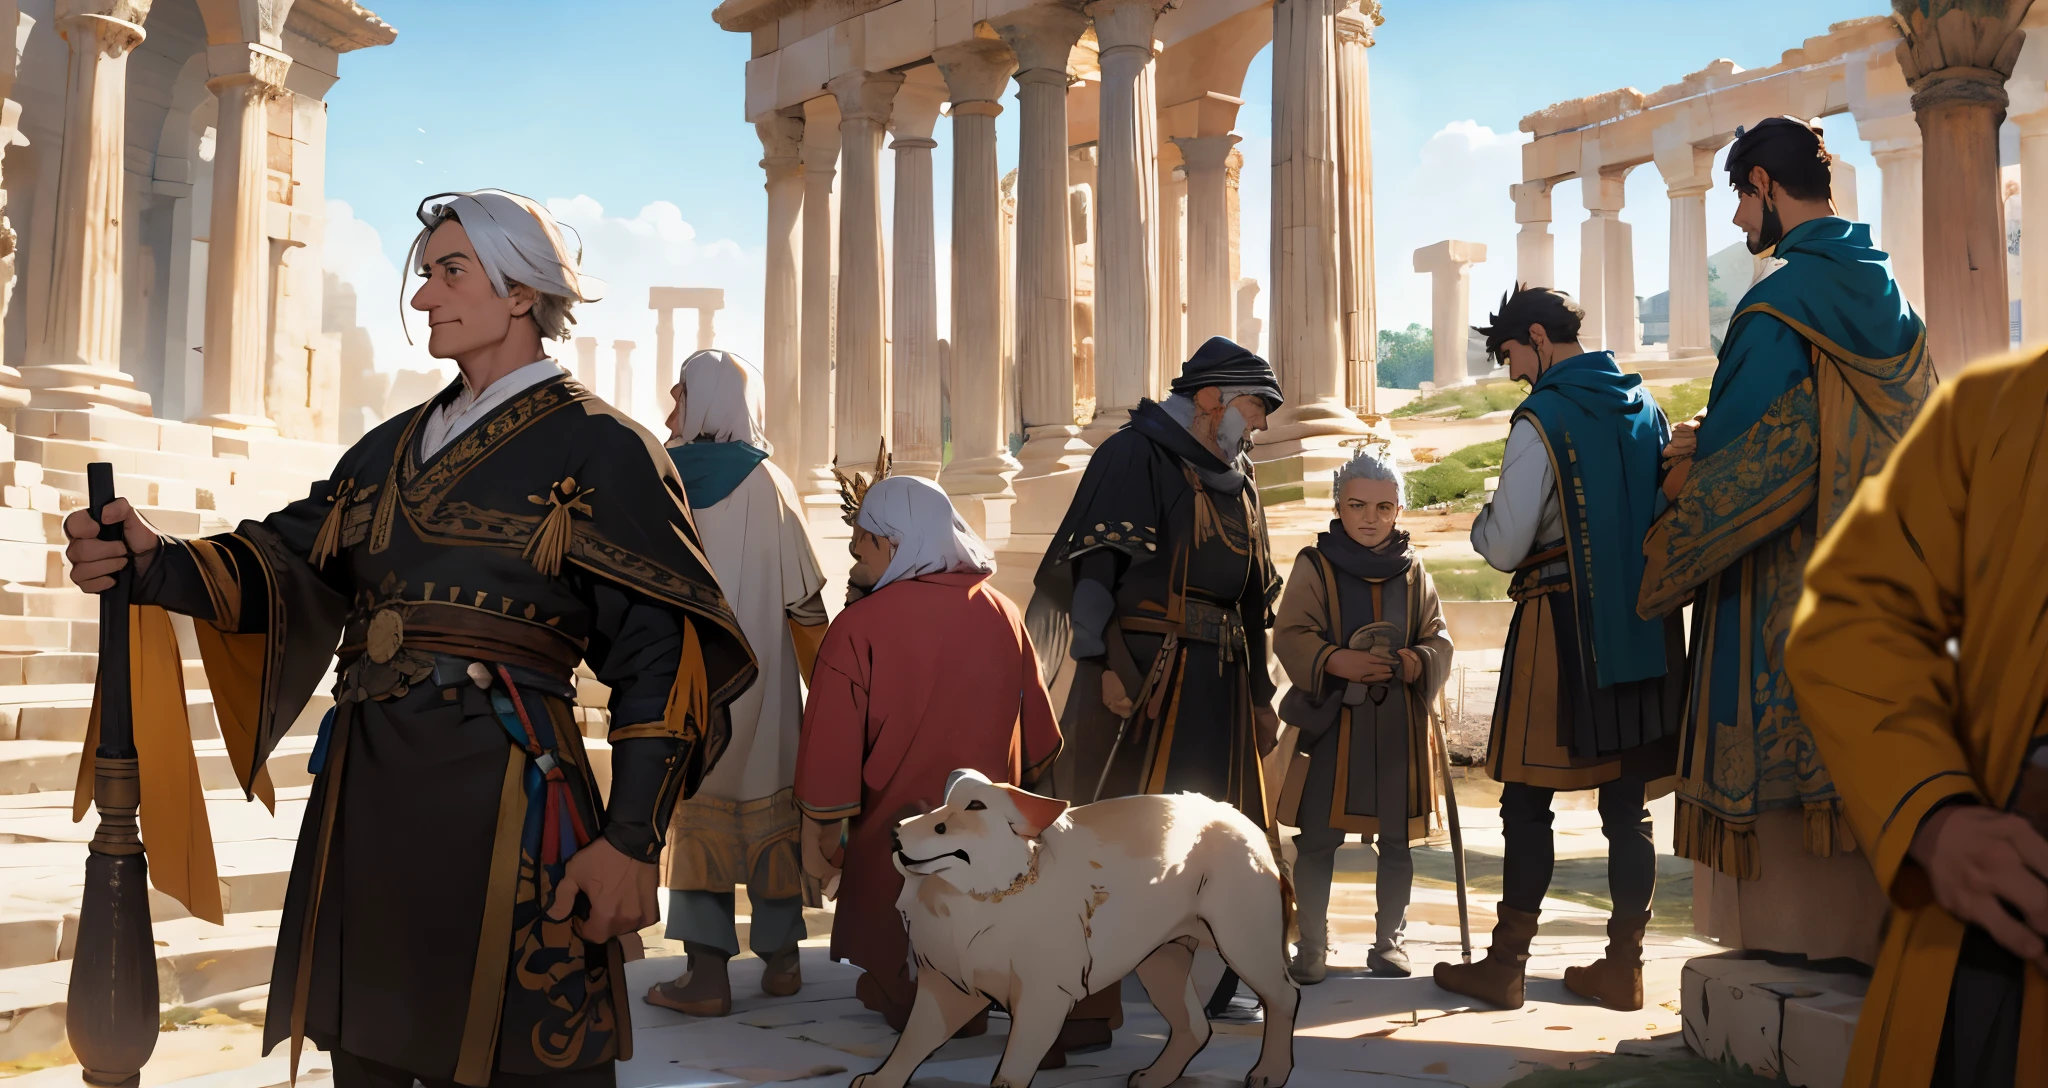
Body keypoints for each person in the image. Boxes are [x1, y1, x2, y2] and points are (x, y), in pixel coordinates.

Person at [62, 189, 757, 1088]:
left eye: (450, 271)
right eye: (424, 276)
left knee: (525, 1065)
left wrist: (631, 840)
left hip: (509, 808)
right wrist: (154, 561)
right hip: (368, 802)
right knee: (369, 1059)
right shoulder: (386, 451)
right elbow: (284, 562)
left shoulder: (608, 447)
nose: (426, 297)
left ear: (520, 292)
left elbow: (663, 657)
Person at [1637, 117, 1936, 967]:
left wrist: (1679, 487)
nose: (1736, 220)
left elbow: (1756, 457)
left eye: (1739, 195)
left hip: (1784, 587)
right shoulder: (1895, 303)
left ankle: (1790, 945)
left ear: (1766, 184)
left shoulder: (1778, 305)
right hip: (1885, 587)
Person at [1784, 349, 2047, 1088]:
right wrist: (1934, 815)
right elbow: (1853, 616)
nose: (1740, 221)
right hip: (2010, 912)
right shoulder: (1998, 410)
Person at [1433, 286, 1686, 1013]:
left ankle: (1505, 967)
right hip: (1643, 623)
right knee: (1627, 805)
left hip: (1560, 619)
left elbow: (1505, 543)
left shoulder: (1539, 416)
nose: (1515, 372)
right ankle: (1624, 968)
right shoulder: (1646, 405)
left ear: (1538, 337)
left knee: (1525, 800)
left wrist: (1483, 522)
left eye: (1513, 354)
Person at [1027, 334, 1284, 1027]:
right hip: (1145, 682)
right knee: (1130, 827)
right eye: (1255, 407)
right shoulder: (1132, 454)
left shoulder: (1240, 473)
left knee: (1224, 834)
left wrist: (1261, 695)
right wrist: (1102, 662)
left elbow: (1254, 601)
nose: (1261, 423)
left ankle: (1223, 976)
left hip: (1224, 683)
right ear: (1209, 400)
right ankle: (1095, 975)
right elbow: (1095, 574)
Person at [794, 473, 1062, 1039]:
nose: (852, 551)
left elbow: (830, 746)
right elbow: (1038, 734)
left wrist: (823, 824)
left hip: (901, 827)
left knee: (897, 903)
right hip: (986, 834)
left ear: (896, 543)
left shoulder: (860, 626)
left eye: (862, 539)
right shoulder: (1004, 613)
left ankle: (909, 991)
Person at [646, 349, 828, 1017]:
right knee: (770, 809)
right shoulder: (772, 485)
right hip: (769, 689)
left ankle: (706, 973)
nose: (670, 414)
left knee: (700, 816)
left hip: (691, 687)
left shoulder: (663, 482)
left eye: (680, 400)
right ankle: (781, 962)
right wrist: (829, 687)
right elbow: (806, 603)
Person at [1272, 446, 1452, 983]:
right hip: (1334, 723)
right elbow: (1292, 635)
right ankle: (1312, 947)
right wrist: (1336, 660)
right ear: (1339, 506)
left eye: (1383, 507)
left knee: (1397, 841)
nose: (1370, 519)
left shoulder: (1415, 569)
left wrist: (1418, 662)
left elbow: (1437, 638)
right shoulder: (1315, 565)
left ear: (1398, 510)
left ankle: (1389, 943)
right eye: (1357, 506)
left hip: (1396, 726)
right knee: (1317, 839)